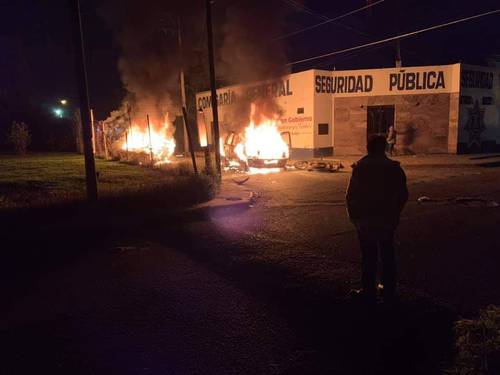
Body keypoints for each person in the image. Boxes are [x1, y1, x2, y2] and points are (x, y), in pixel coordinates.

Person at [346, 135, 408, 303]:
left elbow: (351, 195)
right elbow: (403, 195)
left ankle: (368, 291)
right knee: (387, 254)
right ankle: (388, 289)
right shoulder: (394, 169)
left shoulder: (360, 168)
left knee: (369, 256)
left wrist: (354, 217)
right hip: (386, 220)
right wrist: (395, 214)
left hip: (365, 221)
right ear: (384, 149)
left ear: (368, 148)